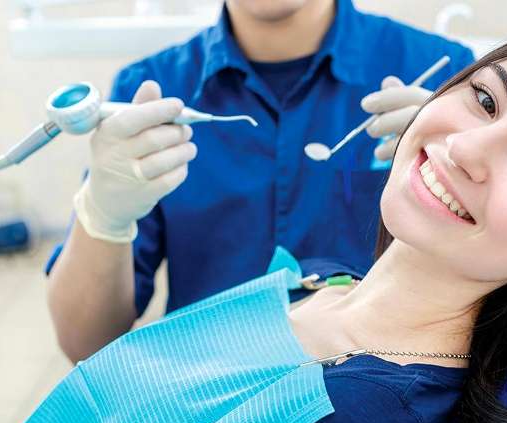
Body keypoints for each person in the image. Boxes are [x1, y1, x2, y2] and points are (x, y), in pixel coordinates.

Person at [27, 31, 507, 423]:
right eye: (482, 98)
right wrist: (104, 214)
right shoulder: (323, 285)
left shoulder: (353, 410)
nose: (467, 149)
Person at [44, 0, 475, 363]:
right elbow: (86, 342)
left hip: (385, 400)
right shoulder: (152, 90)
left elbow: (498, 306)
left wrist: (461, 183)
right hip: (207, 407)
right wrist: (103, 214)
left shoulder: (442, 74)